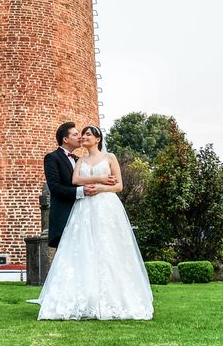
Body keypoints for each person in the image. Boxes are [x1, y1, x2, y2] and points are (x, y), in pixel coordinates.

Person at [36, 125, 154, 320]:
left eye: (86, 134)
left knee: (109, 248)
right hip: (84, 207)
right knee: (82, 250)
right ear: (66, 139)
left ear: (98, 138)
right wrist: (99, 179)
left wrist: (100, 189)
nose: (81, 137)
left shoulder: (109, 158)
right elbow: (72, 182)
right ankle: (82, 298)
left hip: (106, 206)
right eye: (78, 134)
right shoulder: (75, 159)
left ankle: (115, 298)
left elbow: (119, 185)